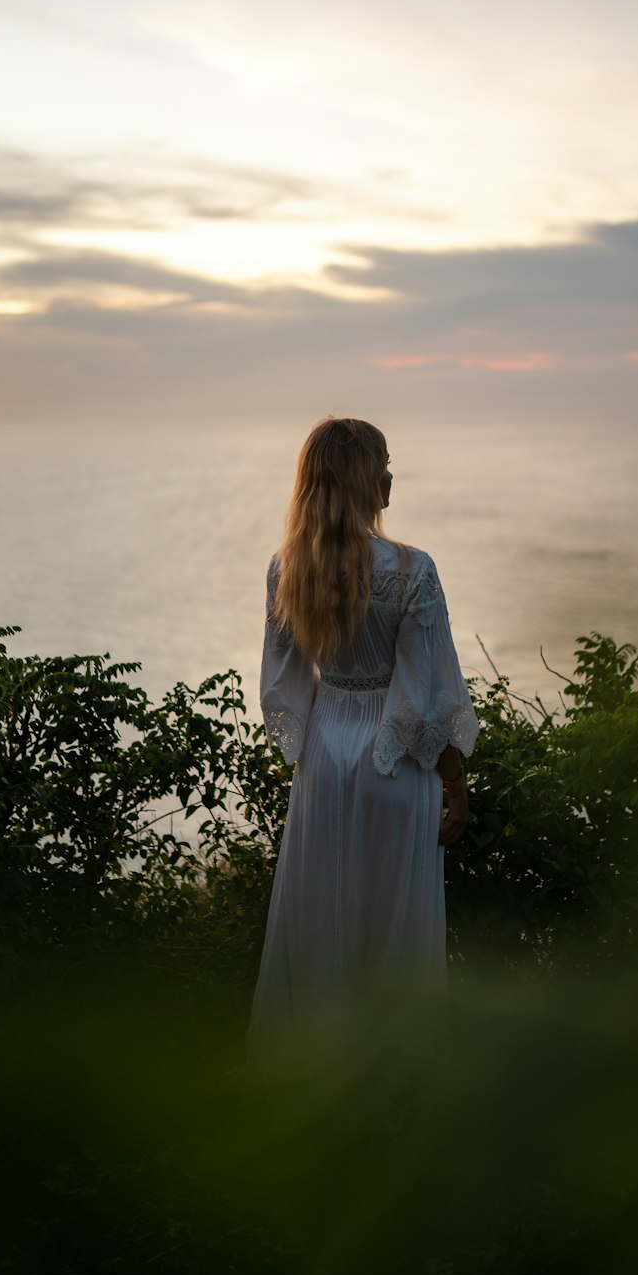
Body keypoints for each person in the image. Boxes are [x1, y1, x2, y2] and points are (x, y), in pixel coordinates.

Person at [248, 416, 479, 1050]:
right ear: (360, 479)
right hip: (394, 761)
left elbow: (284, 684)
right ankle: (393, 1089)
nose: (389, 476)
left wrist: (306, 749)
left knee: (323, 918)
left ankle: (317, 1077)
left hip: (324, 754)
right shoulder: (411, 571)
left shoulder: (286, 570)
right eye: (382, 463)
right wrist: (455, 785)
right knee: (392, 932)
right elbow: (429, 696)